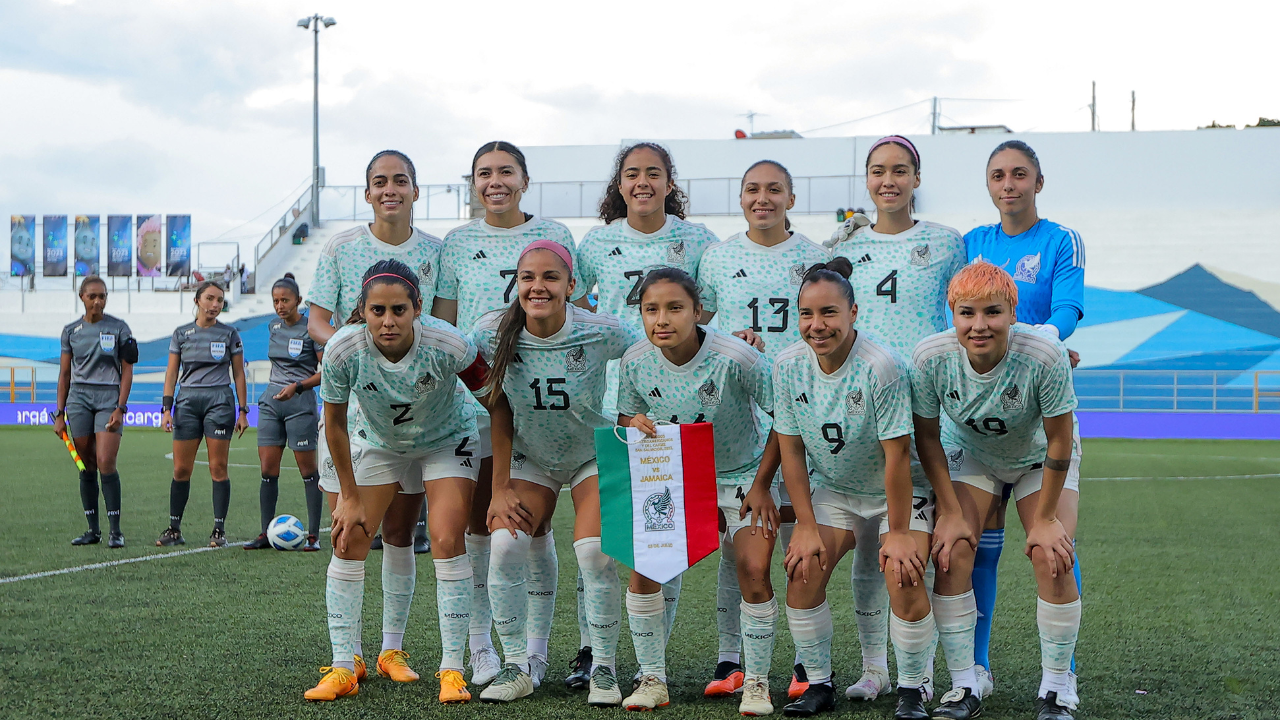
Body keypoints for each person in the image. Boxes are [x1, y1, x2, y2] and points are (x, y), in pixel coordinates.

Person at [433, 141, 587, 688]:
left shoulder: (557, 235)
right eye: (483, 173)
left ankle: (535, 652)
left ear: (524, 179)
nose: (494, 181)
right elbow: (447, 325)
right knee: (483, 524)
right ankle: (481, 649)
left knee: (534, 524)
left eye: (505, 171)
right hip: (475, 401)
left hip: (539, 402)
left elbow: (582, 315)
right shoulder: (456, 242)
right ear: (473, 182)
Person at [304, 260, 491, 705]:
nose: (388, 321)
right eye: (378, 311)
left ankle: (452, 669)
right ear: (363, 311)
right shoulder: (343, 350)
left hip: (446, 439)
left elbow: (495, 400)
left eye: (399, 310)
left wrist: (500, 479)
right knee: (348, 538)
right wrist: (348, 497)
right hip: (380, 442)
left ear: (417, 308)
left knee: (446, 539)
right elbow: (333, 423)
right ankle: (345, 666)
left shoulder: (450, 343)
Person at [824, 135, 968, 703]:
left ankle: (922, 675)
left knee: (918, 548)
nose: (889, 180)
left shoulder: (945, 243)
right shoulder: (847, 246)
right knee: (868, 543)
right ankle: (873, 669)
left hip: (928, 408)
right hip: (864, 409)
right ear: (866, 180)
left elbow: (968, 310)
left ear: (916, 178)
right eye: (878, 171)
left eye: (900, 170)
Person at [469, 240, 641, 705]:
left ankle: (603, 667)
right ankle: (517, 663)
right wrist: (499, 486)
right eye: (528, 278)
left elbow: (658, 344)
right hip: (534, 455)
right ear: (516, 284)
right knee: (504, 546)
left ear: (571, 285)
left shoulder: (601, 329)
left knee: (594, 554)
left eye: (550, 278)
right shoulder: (490, 333)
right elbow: (497, 404)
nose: (538, 286)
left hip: (592, 452)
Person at [575, 141, 719, 688]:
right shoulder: (597, 243)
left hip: (678, 402)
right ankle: (593, 653)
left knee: (664, 530)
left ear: (668, 182)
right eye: (632, 174)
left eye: (652, 173)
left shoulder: (698, 239)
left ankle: (649, 659)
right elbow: (577, 301)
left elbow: (713, 308)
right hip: (619, 402)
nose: (642, 182)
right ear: (619, 184)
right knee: (611, 536)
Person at [910, 262, 1081, 720]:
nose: (979, 325)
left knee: (1053, 554)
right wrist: (948, 509)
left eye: (992, 312)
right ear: (952, 312)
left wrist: (1044, 520)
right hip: (974, 453)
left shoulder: (1043, 353)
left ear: (1012, 311)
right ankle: (966, 682)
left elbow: (1060, 440)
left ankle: (1057, 687)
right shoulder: (931, 357)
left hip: (1038, 456)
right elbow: (927, 437)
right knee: (952, 549)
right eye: (967, 313)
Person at [771, 259, 939, 720]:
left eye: (829, 313)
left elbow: (898, 457)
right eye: (806, 314)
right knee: (802, 569)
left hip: (895, 492)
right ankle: (818, 683)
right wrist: (805, 525)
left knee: (902, 572)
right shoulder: (787, 366)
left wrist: (900, 531)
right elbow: (791, 452)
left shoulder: (880, 366)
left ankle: (913, 688)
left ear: (853, 313)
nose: (816, 325)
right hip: (838, 488)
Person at [306, 150, 447, 692]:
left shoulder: (436, 251)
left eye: (401, 181)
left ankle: (390, 649)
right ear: (367, 193)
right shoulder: (342, 246)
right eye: (379, 182)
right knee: (350, 530)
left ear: (416, 190)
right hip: (358, 411)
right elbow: (319, 318)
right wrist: (352, 344)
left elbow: (444, 325)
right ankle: (346, 659)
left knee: (398, 532)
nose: (391, 189)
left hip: (419, 415)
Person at [616, 267, 779, 714]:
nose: (662, 319)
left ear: (697, 311)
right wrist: (632, 423)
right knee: (644, 570)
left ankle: (758, 684)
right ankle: (653, 679)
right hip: (676, 476)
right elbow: (625, 417)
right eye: (651, 309)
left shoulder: (737, 358)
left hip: (742, 473)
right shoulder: (634, 360)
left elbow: (786, 421)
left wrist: (763, 485)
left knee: (753, 569)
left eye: (675, 308)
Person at [695, 159, 828, 700]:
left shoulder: (814, 256)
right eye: (752, 189)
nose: (763, 198)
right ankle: (733, 658)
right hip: (744, 416)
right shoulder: (718, 257)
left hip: (808, 404)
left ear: (791, 197)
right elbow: (700, 328)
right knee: (741, 538)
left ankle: (805, 661)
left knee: (802, 534)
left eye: (774, 189)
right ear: (740, 197)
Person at [963, 140, 1085, 697]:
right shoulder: (972, 243)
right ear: (988, 185)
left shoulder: (1061, 240)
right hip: (980, 416)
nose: (1007, 184)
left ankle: (1060, 682)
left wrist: (1045, 344)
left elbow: (1067, 307)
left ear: (1039, 181)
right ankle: (977, 671)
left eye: (1018, 174)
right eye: (997, 176)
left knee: (1051, 547)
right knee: (973, 551)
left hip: (1039, 405)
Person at [156, 280, 249, 548]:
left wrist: (243, 410)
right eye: (210, 298)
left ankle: (218, 530)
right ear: (197, 300)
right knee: (181, 468)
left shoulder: (230, 334)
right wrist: (166, 408)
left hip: (219, 401)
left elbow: (239, 373)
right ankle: (174, 529)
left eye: (220, 300)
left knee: (218, 468)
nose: (215, 305)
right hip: (186, 402)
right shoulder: (181, 333)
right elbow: (172, 373)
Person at [54, 276, 137, 548]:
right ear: (82, 297)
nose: (98, 301)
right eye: (92, 296)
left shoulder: (119, 328)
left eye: (102, 296)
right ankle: (93, 530)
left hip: (108, 398)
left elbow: (127, 371)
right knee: (87, 466)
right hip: (78, 400)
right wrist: (59, 413)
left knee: (105, 462)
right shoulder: (70, 331)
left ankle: (115, 531)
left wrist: (120, 407)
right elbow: (64, 374)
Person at [244, 273, 324, 552]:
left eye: (285, 300)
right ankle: (266, 533)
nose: (280, 305)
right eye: (276, 301)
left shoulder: (312, 330)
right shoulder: (273, 326)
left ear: (299, 301)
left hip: (300, 404)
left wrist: (298, 387)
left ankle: (313, 536)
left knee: (308, 471)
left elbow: (327, 373)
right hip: (270, 402)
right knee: (267, 470)